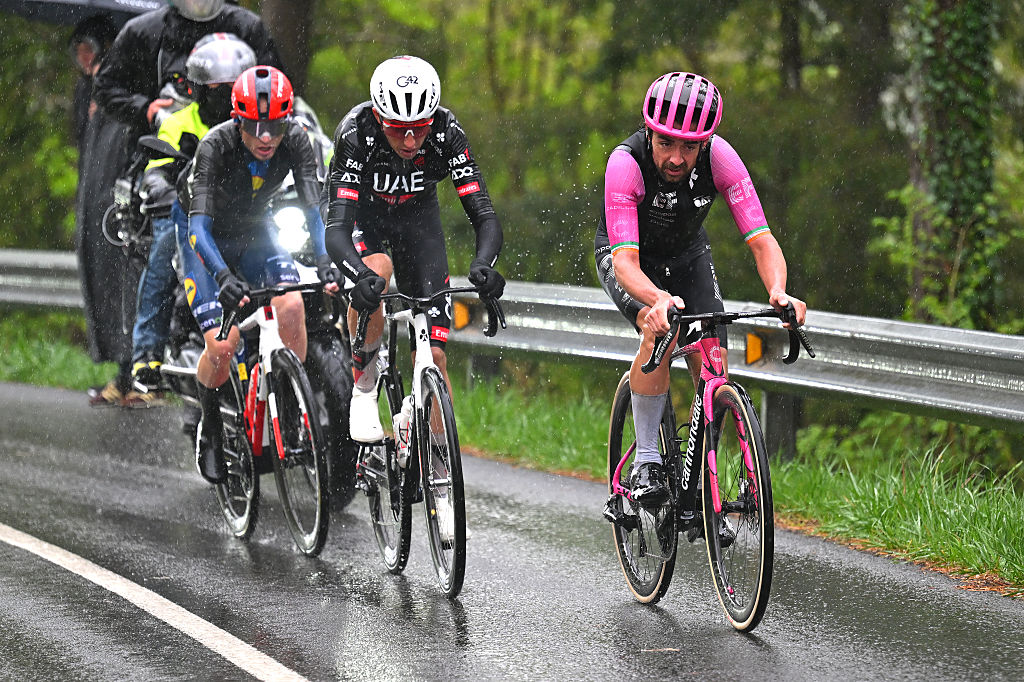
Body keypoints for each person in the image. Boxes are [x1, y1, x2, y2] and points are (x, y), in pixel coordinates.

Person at [595, 72, 807, 505]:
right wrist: (656, 300)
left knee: (714, 365)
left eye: (689, 147)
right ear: (649, 132)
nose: (677, 158)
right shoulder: (625, 164)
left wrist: (780, 292)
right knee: (661, 331)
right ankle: (648, 461)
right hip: (629, 258)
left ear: (705, 143)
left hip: (688, 255)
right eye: (666, 143)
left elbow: (762, 239)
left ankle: (702, 481)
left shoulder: (721, 158)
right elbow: (625, 263)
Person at [323, 55, 506, 444]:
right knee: (378, 269)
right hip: (361, 216)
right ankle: (365, 386)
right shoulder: (357, 133)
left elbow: (484, 215)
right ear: (378, 116)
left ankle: (442, 474)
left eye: (418, 129)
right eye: (398, 130)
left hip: (417, 220)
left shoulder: (446, 132)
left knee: (436, 357)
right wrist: (360, 277)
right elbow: (337, 229)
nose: (410, 141)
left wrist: (484, 263)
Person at [178, 65, 341, 483]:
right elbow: (198, 229)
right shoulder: (215, 146)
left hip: (255, 228)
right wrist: (222, 276)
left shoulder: (298, 139)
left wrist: (326, 260)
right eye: (255, 126)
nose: (266, 136)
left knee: (291, 305)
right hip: (208, 236)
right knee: (222, 345)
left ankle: (288, 405)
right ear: (238, 120)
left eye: (275, 125)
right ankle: (210, 429)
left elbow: (314, 209)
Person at [129, 33, 257, 392]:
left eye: (231, 86)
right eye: (216, 88)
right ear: (197, 88)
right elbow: (156, 169)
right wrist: (164, 192)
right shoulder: (178, 122)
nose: (223, 94)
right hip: (191, 209)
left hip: (245, 213)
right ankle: (147, 351)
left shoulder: (255, 122)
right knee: (167, 243)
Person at [69, 15, 140, 407]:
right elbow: (79, 137)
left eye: (89, 51)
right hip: (93, 204)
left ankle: (135, 374)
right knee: (103, 286)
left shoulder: (125, 88)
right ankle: (122, 373)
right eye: (78, 54)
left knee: (123, 285)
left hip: (117, 208)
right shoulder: (88, 93)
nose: (84, 60)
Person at [93, 0, 280, 133]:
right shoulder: (143, 31)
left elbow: (277, 87)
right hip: (159, 147)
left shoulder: (247, 27)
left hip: (236, 147)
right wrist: (145, 110)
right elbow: (105, 86)